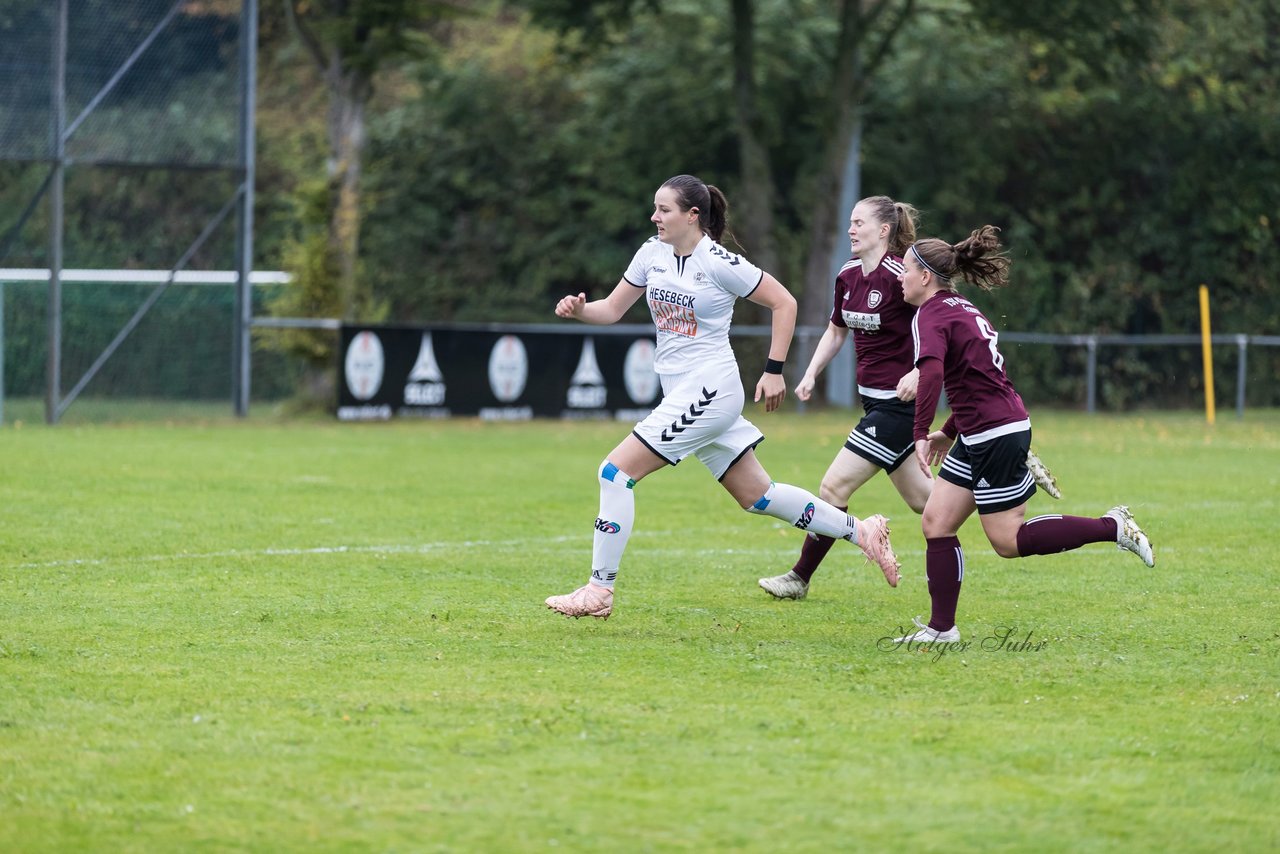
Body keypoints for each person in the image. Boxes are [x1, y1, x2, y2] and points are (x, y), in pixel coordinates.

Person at [545, 174, 901, 619]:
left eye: (664, 210)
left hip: (709, 388)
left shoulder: (718, 261)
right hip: (685, 390)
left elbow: (784, 302)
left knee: (614, 473)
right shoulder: (650, 254)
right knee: (759, 496)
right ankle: (861, 531)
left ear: (693, 216)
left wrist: (774, 370)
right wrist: (581, 311)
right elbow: (612, 310)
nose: (654, 217)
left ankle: (599, 592)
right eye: (655, 208)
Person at [758, 197, 1061, 601]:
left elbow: (939, 325)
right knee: (929, 504)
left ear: (883, 230)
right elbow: (836, 331)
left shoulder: (901, 276)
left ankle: (799, 577)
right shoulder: (847, 275)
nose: (850, 229)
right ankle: (1012, 468)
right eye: (849, 221)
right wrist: (811, 373)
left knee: (832, 488)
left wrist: (920, 373)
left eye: (858, 222)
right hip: (875, 406)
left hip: (897, 410)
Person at [892, 225, 1154, 643]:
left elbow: (934, 372)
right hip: (984, 429)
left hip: (995, 433)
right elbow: (977, 379)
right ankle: (942, 629)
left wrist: (921, 431)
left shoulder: (931, 313)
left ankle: (1112, 526)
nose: (898, 276)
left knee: (1008, 540)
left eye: (904, 269)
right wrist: (947, 432)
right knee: (936, 522)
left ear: (925, 276)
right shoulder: (960, 307)